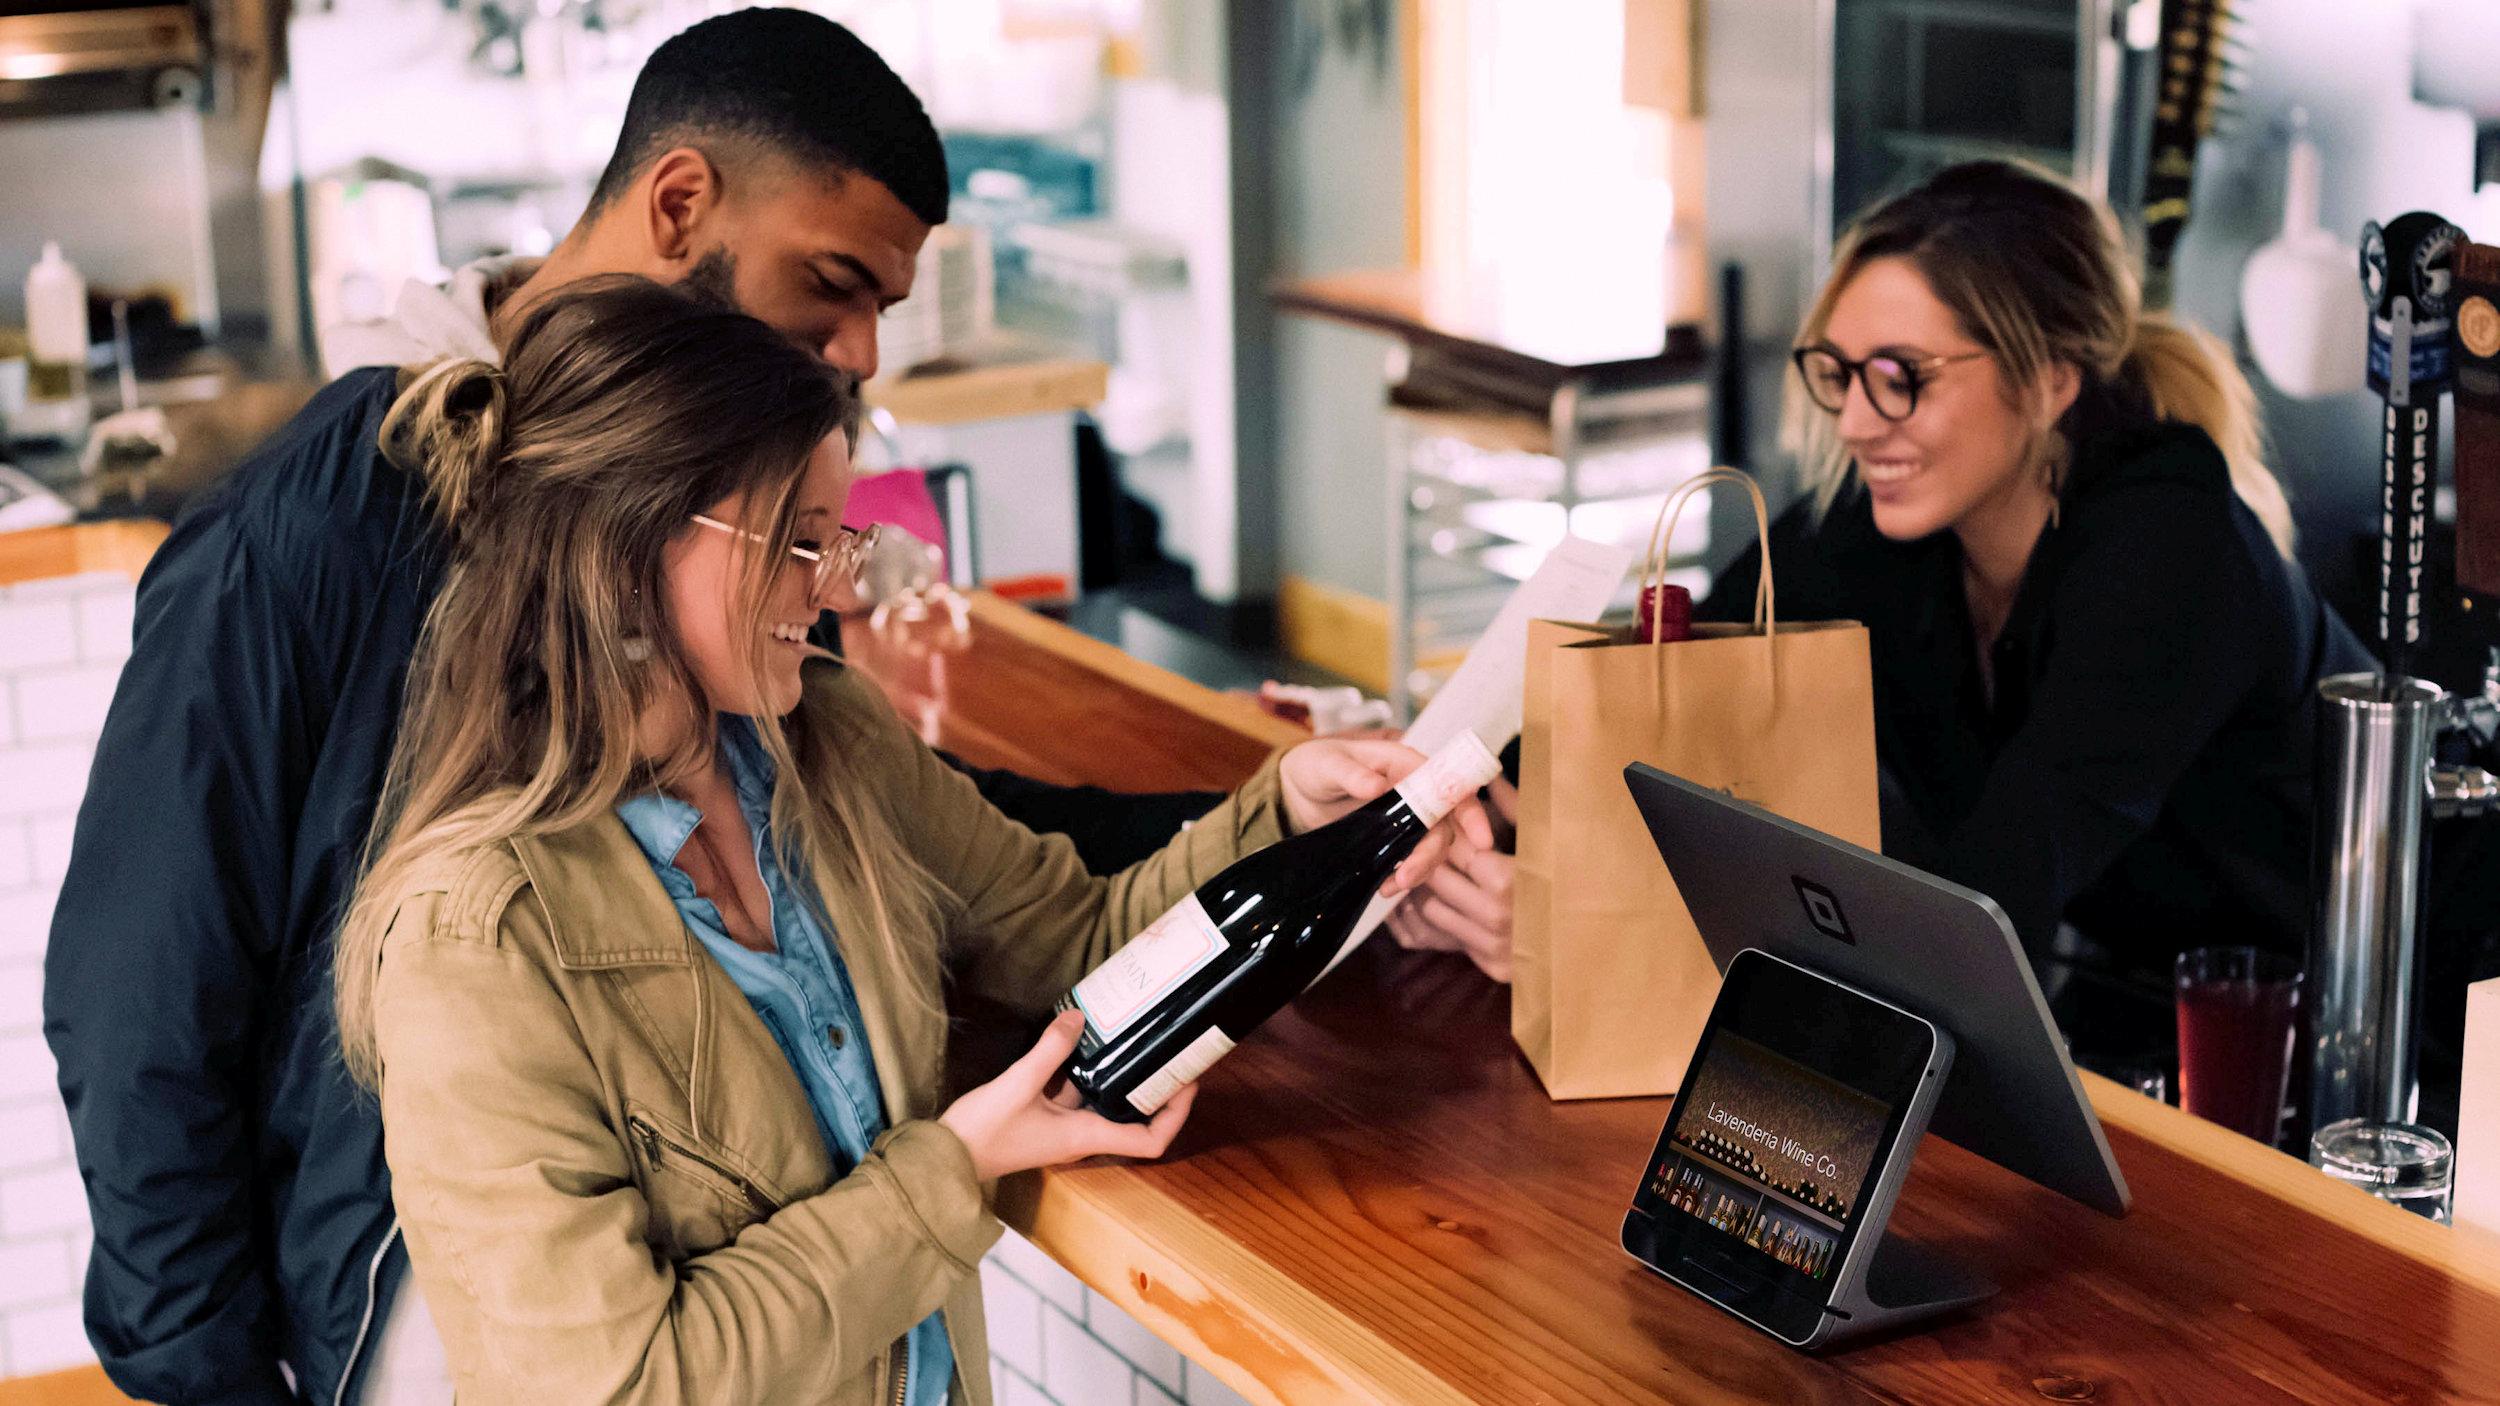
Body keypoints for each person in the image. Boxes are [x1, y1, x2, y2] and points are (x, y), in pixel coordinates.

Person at [43, 13, 1242, 1404]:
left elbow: (924, 828)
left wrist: (1259, 811)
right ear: (679, 205)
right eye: (831, 282)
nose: (858, 351)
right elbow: (144, 993)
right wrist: (213, 1385)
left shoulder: (746, 577)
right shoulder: (322, 521)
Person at [337, 275, 1481, 1406]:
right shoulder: (470, 940)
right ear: (625, 544)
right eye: (796, 541)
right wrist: (951, 1171)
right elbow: (621, 1383)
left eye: (838, 539)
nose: (831, 587)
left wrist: (1283, 817)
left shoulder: (827, 740)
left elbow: (1074, 934)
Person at [1701, 160, 2371, 1027]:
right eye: (1840, 371)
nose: (1856, 423)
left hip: (2390, 1028)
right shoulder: (1886, 526)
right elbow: (1666, 663)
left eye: (1904, 375)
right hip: (2178, 999)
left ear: (2050, 382)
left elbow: (1988, 899)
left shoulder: (2167, 551)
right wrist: (1485, 832)